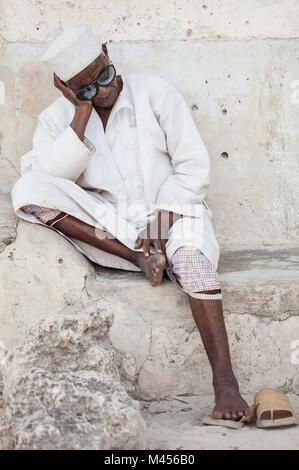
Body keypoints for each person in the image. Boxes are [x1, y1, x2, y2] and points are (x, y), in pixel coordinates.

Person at [11, 24, 249, 420]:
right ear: (68, 89)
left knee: (191, 262)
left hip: (176, 213)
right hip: (113, 229)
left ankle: (225, 384)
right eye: (86, 89)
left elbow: (192, 168)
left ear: (107, 53)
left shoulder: (155, 92)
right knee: (27, 190)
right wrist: (81, 113)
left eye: (104, 77)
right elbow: (50, 180)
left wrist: (163, 218)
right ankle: (139, 258)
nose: (103, 91)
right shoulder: (57, 120)